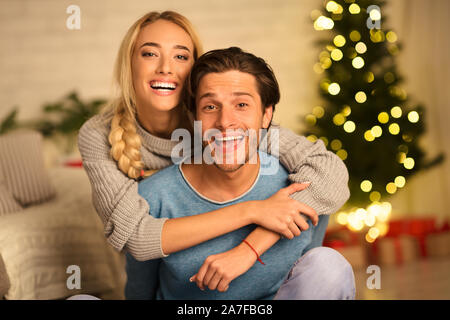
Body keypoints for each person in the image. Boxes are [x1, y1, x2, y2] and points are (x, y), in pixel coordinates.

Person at [77, 11, 349, 267]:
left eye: (181, 57)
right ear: (129, 65)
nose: (165, 68)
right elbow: (135, 237)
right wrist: (253, 211)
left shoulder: (218, 121)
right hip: (167, 273)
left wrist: (250, 248)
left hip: (251, 263)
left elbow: (330, 173)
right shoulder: (98, 134)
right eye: (150, 53)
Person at [125, 47, 355, 300]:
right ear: (194, 118)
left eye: (242, 104)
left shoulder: (304, 184)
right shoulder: (153, 196)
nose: (225, 121)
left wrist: (247, 251)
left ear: (266, 115)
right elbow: (140, 291)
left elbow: (309, 279)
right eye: (210, 106)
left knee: (327, 265)